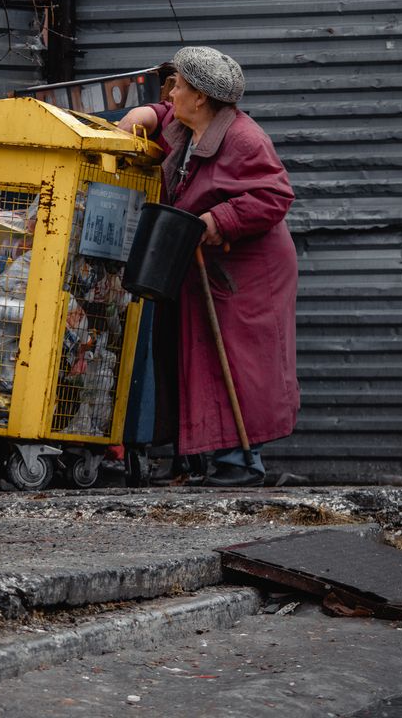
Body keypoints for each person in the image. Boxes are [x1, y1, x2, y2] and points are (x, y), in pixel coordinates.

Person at [118, 46, 299, 486]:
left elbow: (274, 195)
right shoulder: (189, 125)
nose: (170, 94)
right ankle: (204, 458)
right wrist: (143, 114)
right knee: (197, 356)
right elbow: (165, 114)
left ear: (200, 97)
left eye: (178, 86)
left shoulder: (245, 139)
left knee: (237, 362)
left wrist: (219, 220)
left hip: (247, 270)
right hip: (204, 262)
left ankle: (241, 464)